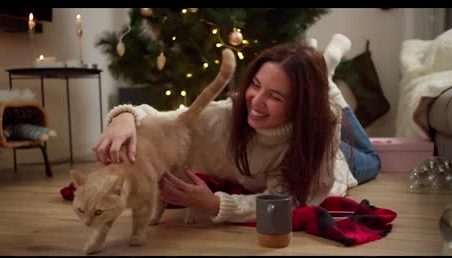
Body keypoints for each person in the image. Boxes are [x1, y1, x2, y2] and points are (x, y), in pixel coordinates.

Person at [93, 34, 380, 223]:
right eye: (255, 85)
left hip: (336, 162)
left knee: (374, 159)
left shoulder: (321, 132)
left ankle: (327, 80)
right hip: (303, 123)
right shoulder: (232, 112)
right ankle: (322, 74)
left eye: (275, 96)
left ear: (299, 107)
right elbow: (171, 118)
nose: (256, 101)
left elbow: (291, 202)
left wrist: (216, 205)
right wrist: (126, 116)